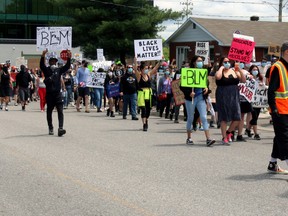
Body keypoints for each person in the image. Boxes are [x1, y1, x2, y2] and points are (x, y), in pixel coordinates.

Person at [180, 55, 215, 146]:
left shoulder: (203, 72)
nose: (201, 63)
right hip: (190, 99)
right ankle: (189, 138)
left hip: (200, 98)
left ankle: (208, 139)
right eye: (199, 61)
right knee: (190, 118)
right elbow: (182, 86)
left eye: (201, 61)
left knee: (203, 117)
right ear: (194, 62)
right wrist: (189, 93)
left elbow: (205, 83)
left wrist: (206, 88)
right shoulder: (188, 72)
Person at [267, 42, 288, 174]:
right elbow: (271, 91)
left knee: (279, 136)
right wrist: (273, 108)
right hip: (279, 110)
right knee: (285, 138)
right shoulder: (278, 67)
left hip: (286, 108)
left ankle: (272, 163)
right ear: (287, 52)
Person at [40, 49, 71, 136]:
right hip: (49, 94)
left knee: (60, 111)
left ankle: (60, 128)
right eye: (52, 61)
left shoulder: (59, 70)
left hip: (58, 94)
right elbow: (41, 65)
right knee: (49, 111)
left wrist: (69, 57)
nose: (53, 62)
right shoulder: (46, 70)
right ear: (49, 62)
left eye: (55, 61)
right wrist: (43, 55)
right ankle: (50, 128)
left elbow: (67, 66)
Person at [215, 57, 246, 145]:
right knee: (224, 117)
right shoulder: (220, 71)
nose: (227, 63)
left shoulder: (234, 71)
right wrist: (221, 68)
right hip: (223, 95)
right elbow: (218, 77)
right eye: (225, 62)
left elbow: (243, 80)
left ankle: (229, 132)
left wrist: (239, 70)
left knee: (237, 116)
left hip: (234, 95)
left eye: (228, 62)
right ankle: (224, 137)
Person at [134, 58, 160, 131]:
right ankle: (144, 124)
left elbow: (155, 68)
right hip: (142, 94)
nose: (147, 70)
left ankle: (146, 119)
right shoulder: (139, 76)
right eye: (145, 68)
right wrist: (135, 61)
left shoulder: (148, 75)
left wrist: (160, 61)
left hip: (148, 94)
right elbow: (135, 70)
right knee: (143, 109)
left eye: (147, 68)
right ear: (142, 69)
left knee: (148, 110)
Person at [245, 65, 264, 140]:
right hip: (251, 100)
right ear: (251, 70)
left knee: (255, 117)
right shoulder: (248, 78)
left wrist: (262, 85)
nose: (255, 71)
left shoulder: (260, 78)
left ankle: (248, 129)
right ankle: (256, 134)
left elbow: (264, 87)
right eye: (253, 69)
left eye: (256, 69)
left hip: (258, 101)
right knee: (254, 116)